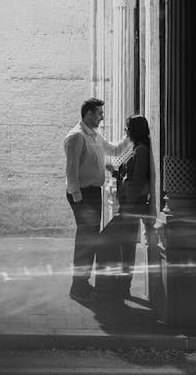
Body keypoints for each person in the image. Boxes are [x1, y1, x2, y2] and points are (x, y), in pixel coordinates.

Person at [64, 97, 128, 301]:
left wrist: (130, 136)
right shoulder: (76, 137)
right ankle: (78, 287)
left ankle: (82, 284)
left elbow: (114, 150)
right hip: (82, 194)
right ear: (89, 114)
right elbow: (71, 171)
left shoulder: (95, 136)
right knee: (86, 240)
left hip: (93, 193)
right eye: (99, 113)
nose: (102, 117)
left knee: (89, 239)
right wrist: (78, 199)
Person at [106, 114, 152, 298]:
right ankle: (121, 284)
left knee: (125, 246)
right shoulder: (135, 149)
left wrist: (128, 206)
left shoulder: (141, 150)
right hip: (127, 204)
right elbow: (129, 175)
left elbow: (138, 180)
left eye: (127, 127)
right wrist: (115, 171)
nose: (125, 131)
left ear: (135, 130)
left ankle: (123, 285)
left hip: (132, 205)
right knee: (124, 245)